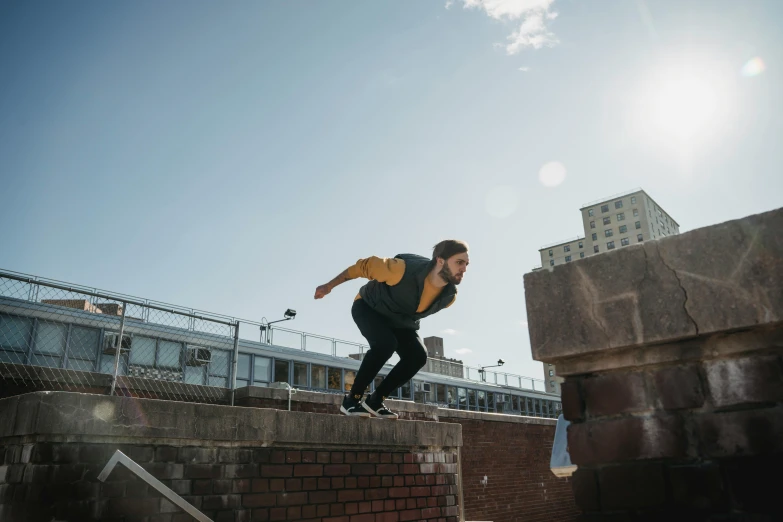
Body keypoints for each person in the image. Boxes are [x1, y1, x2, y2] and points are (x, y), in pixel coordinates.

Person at [314, 239, 469, 419]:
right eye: (459, 262)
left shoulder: (448, 297)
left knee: (417, 356)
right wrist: (328, 286)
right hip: (369, 307)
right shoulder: (400, 269)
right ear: (440, 261)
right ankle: (351, 401)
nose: (464, 268)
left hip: (399, 320)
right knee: (385, 344)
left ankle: (375, 401)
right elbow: (361, 267)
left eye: (466, 264)